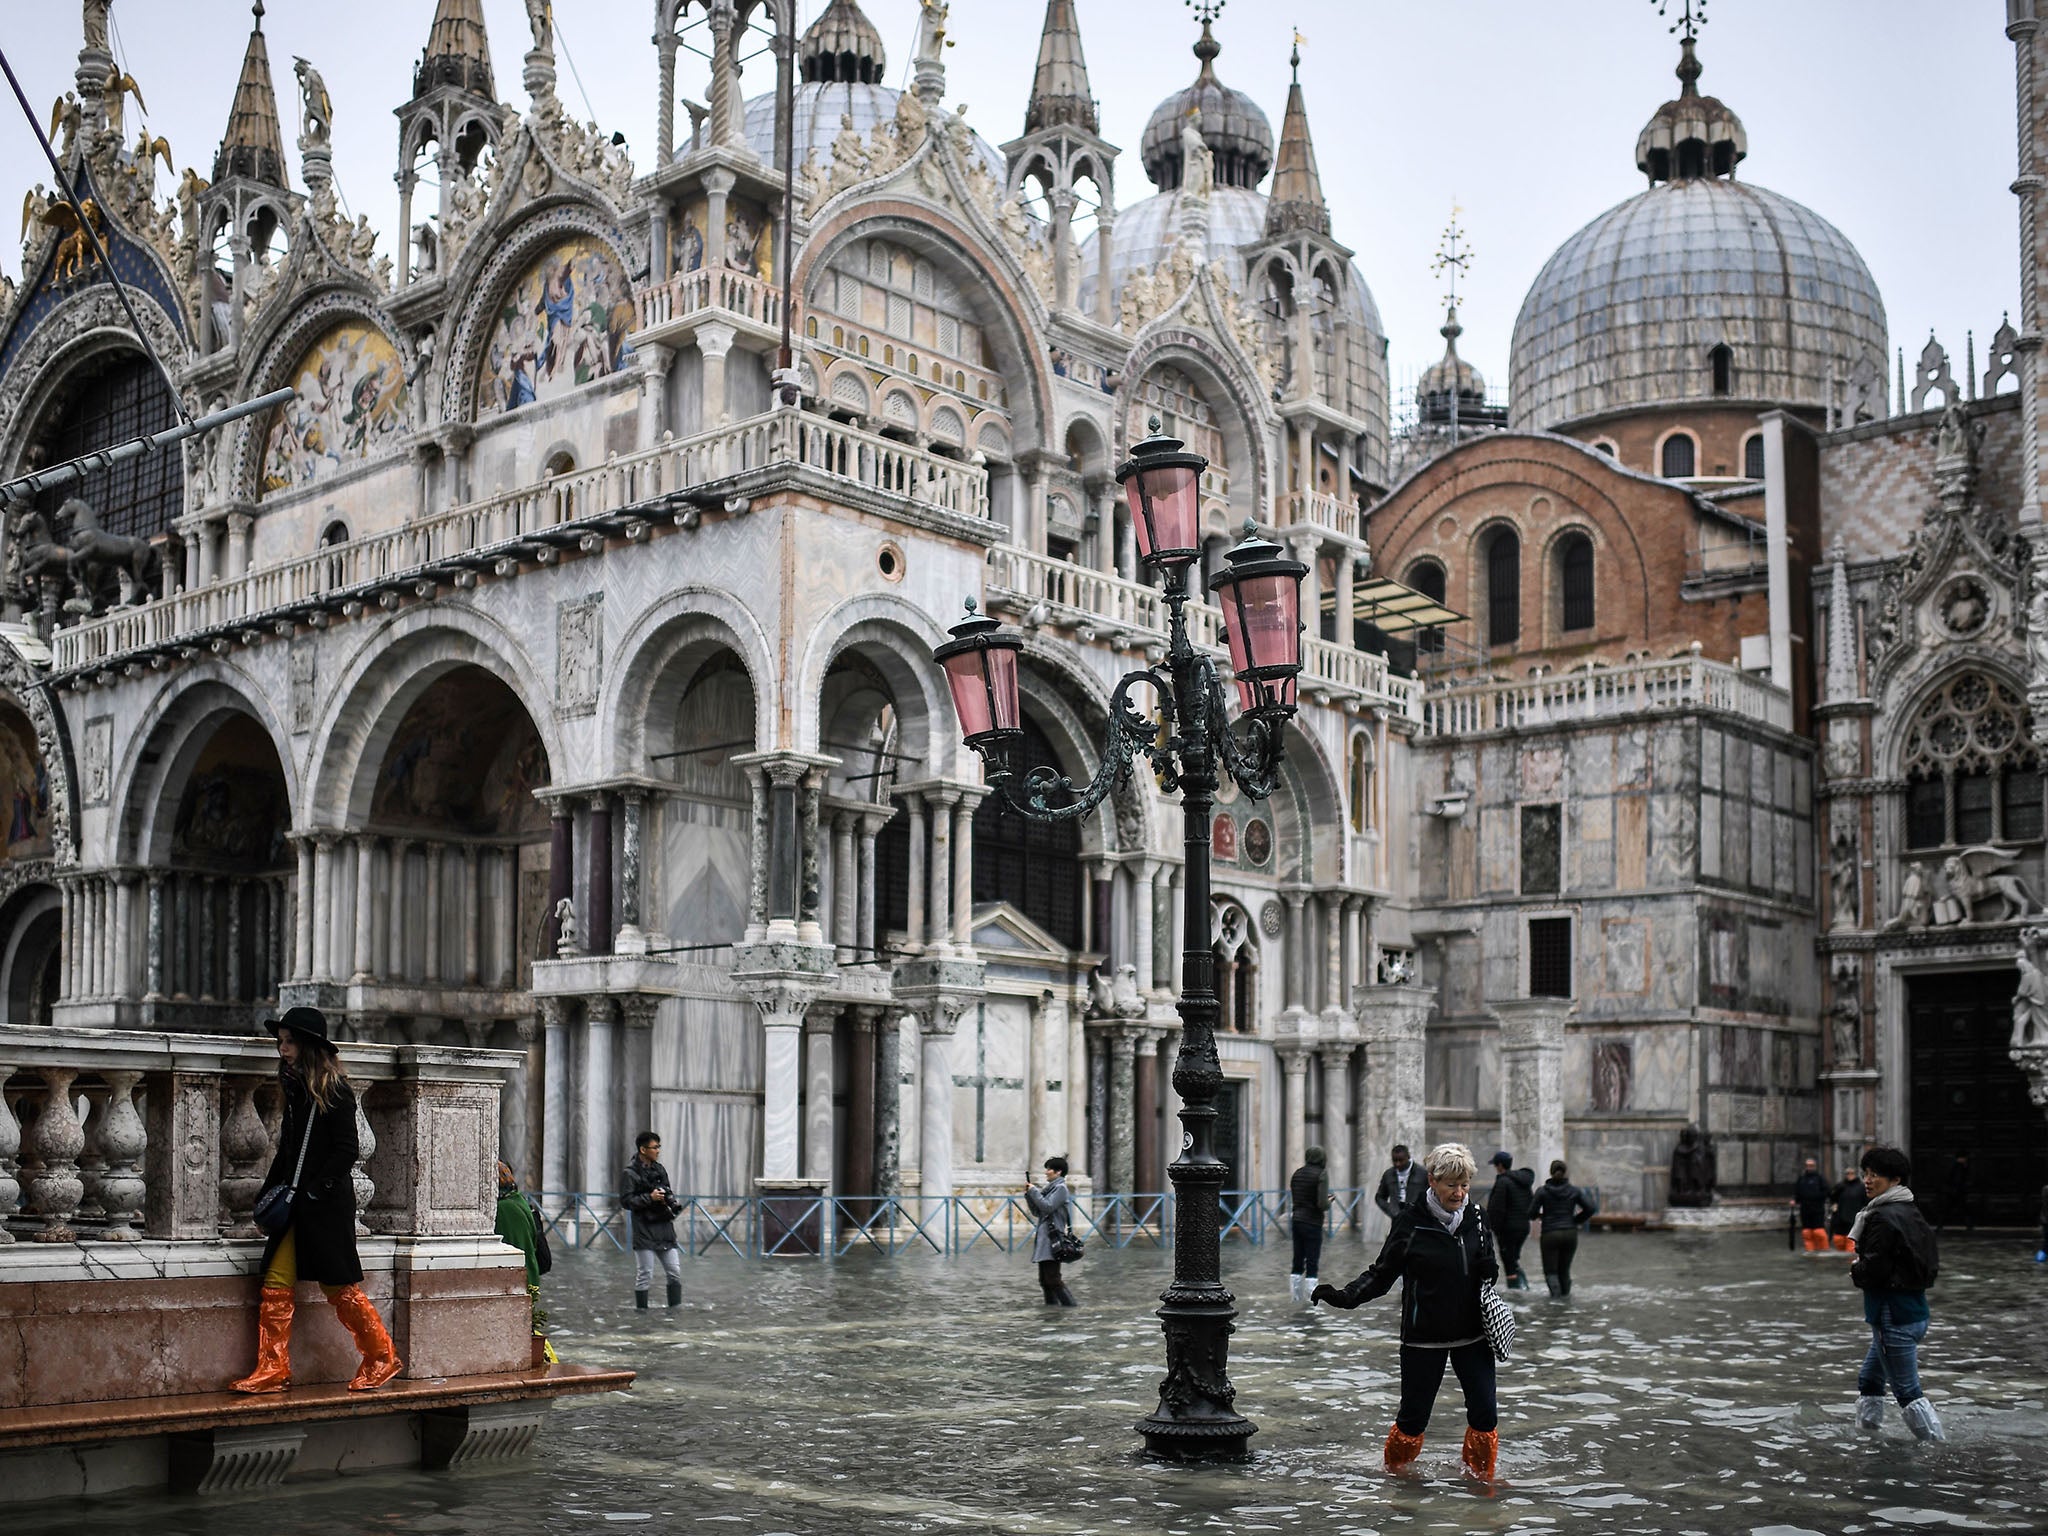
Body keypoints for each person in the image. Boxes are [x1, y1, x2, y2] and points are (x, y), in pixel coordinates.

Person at [230, 1006, 402, 1394]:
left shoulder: (334, 1089)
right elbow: (287, 1152)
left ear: (307, 1046)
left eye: (289, 1042)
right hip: (297, 1205)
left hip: (322, 1206)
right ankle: (272, 1367)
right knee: (275, 1279)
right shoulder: (295, 1088)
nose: (282, 1049)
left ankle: (381, 1356)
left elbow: (347, 1150)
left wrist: (314, 1190)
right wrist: (268, 1194)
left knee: (338, 1286)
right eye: (280, 1042)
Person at [1312, 1142, 1501, 1482]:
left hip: (1473, 1335)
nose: (1459, 1193)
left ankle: (1482, 1482)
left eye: (1465, 1185)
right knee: (1413, 1419)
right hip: (1423, 1338)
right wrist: (1344, 1296)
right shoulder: (1410, 1223)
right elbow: (1381, 1274)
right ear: (1432, 1181)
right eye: (1451, 1185)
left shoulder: (1476, 1216)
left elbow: (1487, 1265)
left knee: (1485, 1415)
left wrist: (1491, 1269)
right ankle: (1396, 1480)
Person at [1849, 1145, 1943, 1440]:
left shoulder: (1882, 1217)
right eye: (1865, 1173)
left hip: (1893, 1316)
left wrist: (1856, 1269)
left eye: (1874, 1174)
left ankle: (1937, 1447)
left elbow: (1874, 1270)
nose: (1867, 1180)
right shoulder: (1910, 1210)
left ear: (1895, 1180)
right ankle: (1868, 1436)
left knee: (1906, 1390)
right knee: (1870, 1378)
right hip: (1913, 1312)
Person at [496, 1160, 557, 1363]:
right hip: (526, 1284)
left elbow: (514, 1254)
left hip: (518, 1287)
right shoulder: (515, 1201)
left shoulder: (506, 1209)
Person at [622, 1131, 683, 1309]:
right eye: (654, 1147)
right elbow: (626, 1201)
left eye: (659, 1147)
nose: (658, 1151)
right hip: (644, 1229)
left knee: (674, 1271)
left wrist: (668, 1199)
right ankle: (641, 1312)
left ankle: (675, 1309)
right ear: (643, 1149)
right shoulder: (630, 1173)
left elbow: (668, 1190)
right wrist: (650, 1198)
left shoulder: (660, 1169)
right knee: (645, 1274)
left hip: (664, 1226)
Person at [1530, 1159, 1597, 1297]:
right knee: (1564, 1271)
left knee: (1551, 1271)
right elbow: (1591, 1208)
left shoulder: (1542, 1191)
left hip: (1550, 1234)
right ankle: (1566, 1301)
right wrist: (1575, 1221)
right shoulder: (1574, 1191)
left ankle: (1556, 1303)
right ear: (1565, 1173)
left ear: (1551, 1172)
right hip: (1570, 1233)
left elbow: (1530, 1213)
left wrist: (1542, 1216)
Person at [1024, 1156, 1077, 1306]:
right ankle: (1052, 1312)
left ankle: (1071, 1309)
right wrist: (1029, 1195)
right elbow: (1037, 1211)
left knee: (1053, 1279)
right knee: (1045, 1281)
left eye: (1049, 1169)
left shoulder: (1061, 1189)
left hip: (1053, 1239)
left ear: (1058, 1172)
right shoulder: (1051, 1189)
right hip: (1044, 1239)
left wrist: (1034, 1192)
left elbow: (1048, 1206)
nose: (1046, 1172)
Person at [1484, 1151, 1535, 1290]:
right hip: (1523, 1227)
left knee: (1508, 1260)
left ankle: (1515, 1292)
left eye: (1495, 1165)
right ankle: (1522, 1286)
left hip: (1508, 1230)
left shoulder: (1502, 1181)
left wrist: (1492, 1228)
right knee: (1513, 1258)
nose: (1495, 1167)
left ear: (1500, 1165)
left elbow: (1496, 1209)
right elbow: (1530, 1202)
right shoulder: (1523, 1181)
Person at [1288, 1145, 1331, 1304]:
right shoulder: (1321, 1174)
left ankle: (1295, 1298)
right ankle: (1313, 1302)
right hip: (1312, 1222)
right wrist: (1329, 1201)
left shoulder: (1297, 1174)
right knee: (1312, 1262)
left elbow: (1299, 1198)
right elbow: (1321, 1204)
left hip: (1297, 1220)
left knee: (1297, 1260)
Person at [1374, 1144, 1427, 1222]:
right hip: (1397, 1219)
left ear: (1408, 1157)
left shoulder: (1422, 1173)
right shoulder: (1388, 1174)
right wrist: (1391, 1209)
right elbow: (1379, 1197)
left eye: (1401, 1160)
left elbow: (1431, 1195)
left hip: (1417, 1219)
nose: (1398, 1164)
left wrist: (1421, 1210)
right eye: (1395, 1160)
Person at [1793, 1157, 1831, 1253]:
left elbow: (1826, 1192)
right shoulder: (1801, 1179)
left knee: (1818, 1231)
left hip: (1817, 1209)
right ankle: (1810, 1251)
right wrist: (1795, 1201)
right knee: (1807, 1232)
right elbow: (1797, 1193)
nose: (1809, 1168)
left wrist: (1816, 1198)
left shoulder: (1820, 1178)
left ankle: (1824, 1250)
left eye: (1811, 1166)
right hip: (1805, 1209)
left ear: (1815, 1166)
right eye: (1807, 1166)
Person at [1830, 1165, 1867, 1254]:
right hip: (1840, 1218)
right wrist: (1834, 1206)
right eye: (1847, 1173)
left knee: (1851, 1244)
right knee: (1839, 1241)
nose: (1849, 1175)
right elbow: (1832, 1197)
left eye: (1851, 1173)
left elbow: (1866, 1201)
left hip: (1854, 1219)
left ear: (1855, 1174)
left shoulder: (1861, 1187)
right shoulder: (1840, 1186)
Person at [1939, 1153, 1972, 1232]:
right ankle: (1940, 1225)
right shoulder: (1958, 1167)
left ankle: (1940, 1225)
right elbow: (1957, 1179)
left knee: (1951, 1210)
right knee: (1959, 1209)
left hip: (1955, 1192)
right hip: (1955, 1192)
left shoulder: (1959, 1166)